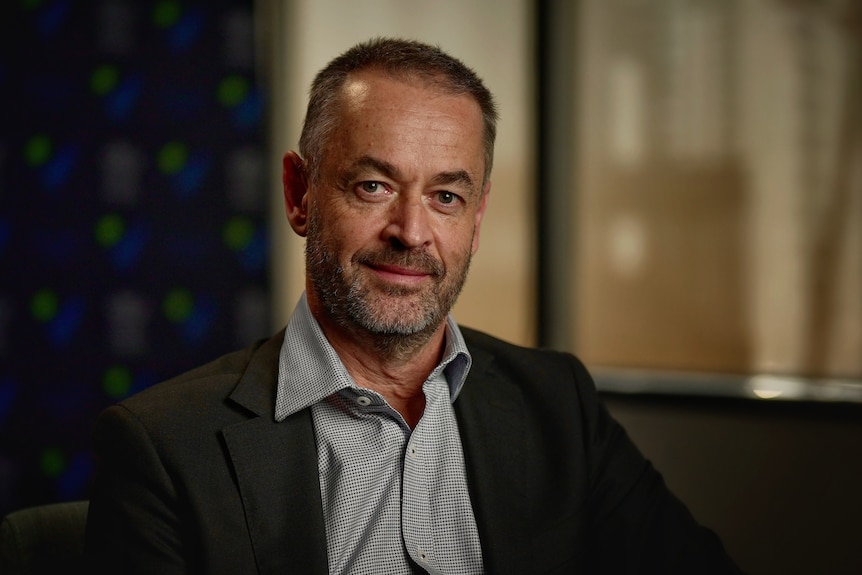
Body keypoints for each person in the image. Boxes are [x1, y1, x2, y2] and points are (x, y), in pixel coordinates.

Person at [85, 37, 744, 574]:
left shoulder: (557, 404)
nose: (411, 231)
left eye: (446, 197)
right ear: (299, 194)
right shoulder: (165, 446)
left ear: (476, 220)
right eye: (374, 185)